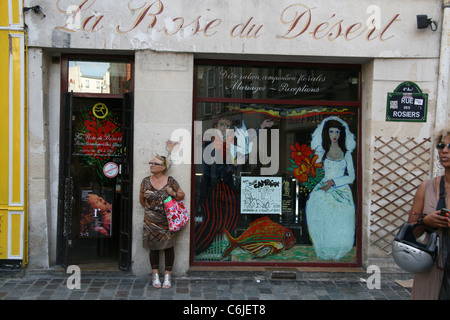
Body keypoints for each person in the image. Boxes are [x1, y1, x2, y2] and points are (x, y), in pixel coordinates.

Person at [305, 116, 356, 260]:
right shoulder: (321, 152)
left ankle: (339, 252)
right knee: (318, 212)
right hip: (323, 188)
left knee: (341, 219)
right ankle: (323, 250)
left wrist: (334, 182)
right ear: (327, 133)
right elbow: (314, 170)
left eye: (337, 132)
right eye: (332, 132)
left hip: (341, 190)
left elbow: (351, 177)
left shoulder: (346, 153)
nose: (335, 135)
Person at [408, 126, 450, 300]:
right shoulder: (427, 187)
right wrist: (426, 222)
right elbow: (410, 233)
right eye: (441, 146)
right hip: (432, 267)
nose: (444, 151)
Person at [139, 155, 185, 289]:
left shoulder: (171, 181)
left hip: (167, 220)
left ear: (164, 167)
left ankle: (167, 275)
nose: (152, 165)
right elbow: (142, 200)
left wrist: (173, 193)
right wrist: (151, 211)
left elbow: (182, 195)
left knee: (168, 247)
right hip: (150, 221)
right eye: (151, 162)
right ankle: (155, 275)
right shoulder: (145, 181)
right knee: (153, 247)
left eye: (155, 163)